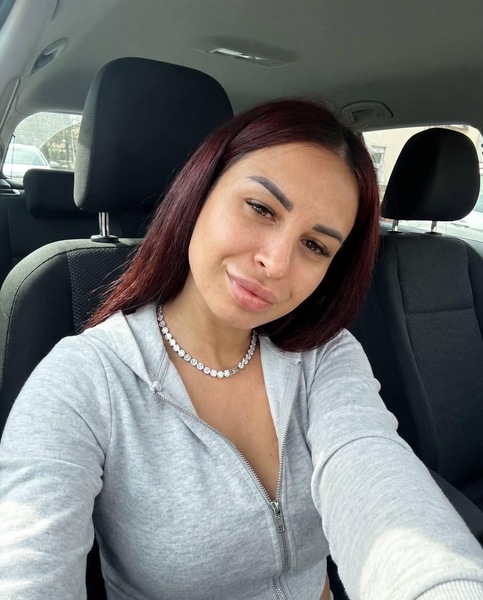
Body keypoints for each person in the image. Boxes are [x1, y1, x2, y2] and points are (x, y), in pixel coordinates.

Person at [0, 98, 483, 600]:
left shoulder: (323, 355)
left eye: (315, 246)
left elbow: (373, 471)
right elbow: (27, 567)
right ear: (199, 190)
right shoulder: (82, 381)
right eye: (261, 208)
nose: (277, 263)